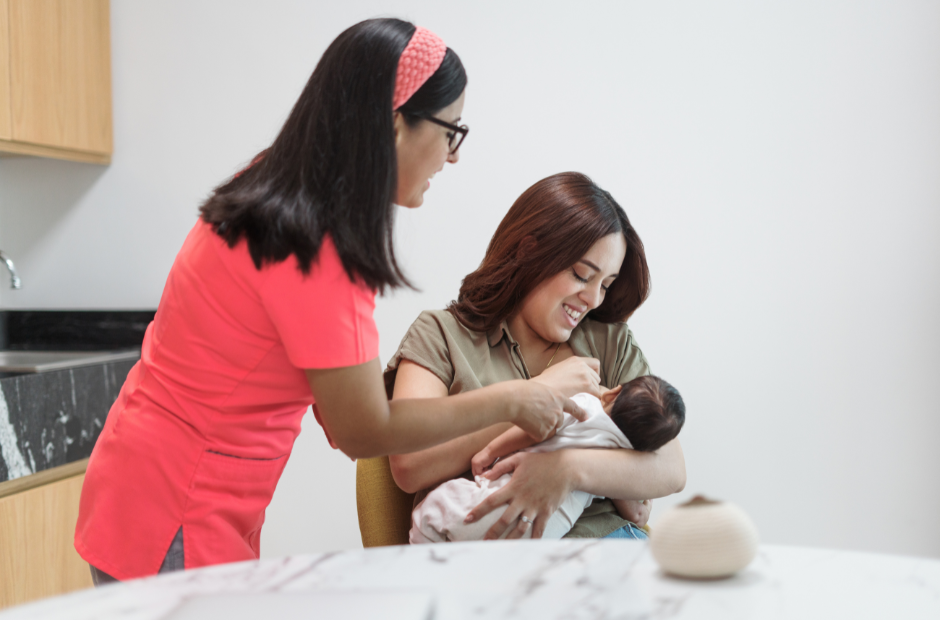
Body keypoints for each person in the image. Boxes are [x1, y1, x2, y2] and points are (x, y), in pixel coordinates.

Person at [74, 19, 584, 584]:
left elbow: (345, 419)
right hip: (179, 505)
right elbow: (363, 432)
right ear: (395, 125)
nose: (453, 156)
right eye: (450, 131)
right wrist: (513, 399)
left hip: (150, 479)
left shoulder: (277, 189)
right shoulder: (316, 245)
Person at [386, 172, 687, 541]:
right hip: (485, 553)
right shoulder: (440, 334)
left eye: (606, 285)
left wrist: (566, 469)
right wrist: (532, 397)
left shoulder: (610, 342)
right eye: (582, 275)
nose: (593, 299)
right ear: (529, 251)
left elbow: (671, 468)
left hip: (607, 543)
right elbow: (409, 465)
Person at [411, 375, 686, 543]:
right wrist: (643, 507)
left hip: (493, 503)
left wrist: (489, 451)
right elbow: (636, 515)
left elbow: (531, 431)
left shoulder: (584, 407)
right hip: (540, 534)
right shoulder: (621, 459)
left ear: (612, 393)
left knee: (435, 509)